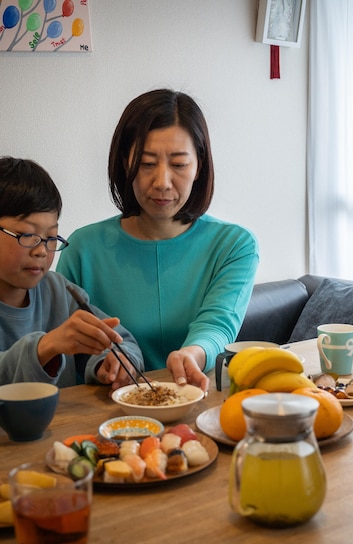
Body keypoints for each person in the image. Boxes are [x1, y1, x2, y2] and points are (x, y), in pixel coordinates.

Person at [57, 89, 259, 393]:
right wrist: (103, 365)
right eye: (147, 163)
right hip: (107, 414)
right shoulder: (83, 249)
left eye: (178, 164)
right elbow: (68, 344)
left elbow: (218, 325)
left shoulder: (234, 245)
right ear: (125, 162)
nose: (162, 181)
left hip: (201, 403)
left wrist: (192, 354)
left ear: (199, 166)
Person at [0, 157, 145, 401]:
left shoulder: (59, 290)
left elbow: (122, 343)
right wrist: (45, 347)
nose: (41, 250)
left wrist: (115, 363)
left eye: (51, 237)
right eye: (27, 235)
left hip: (62, 433)